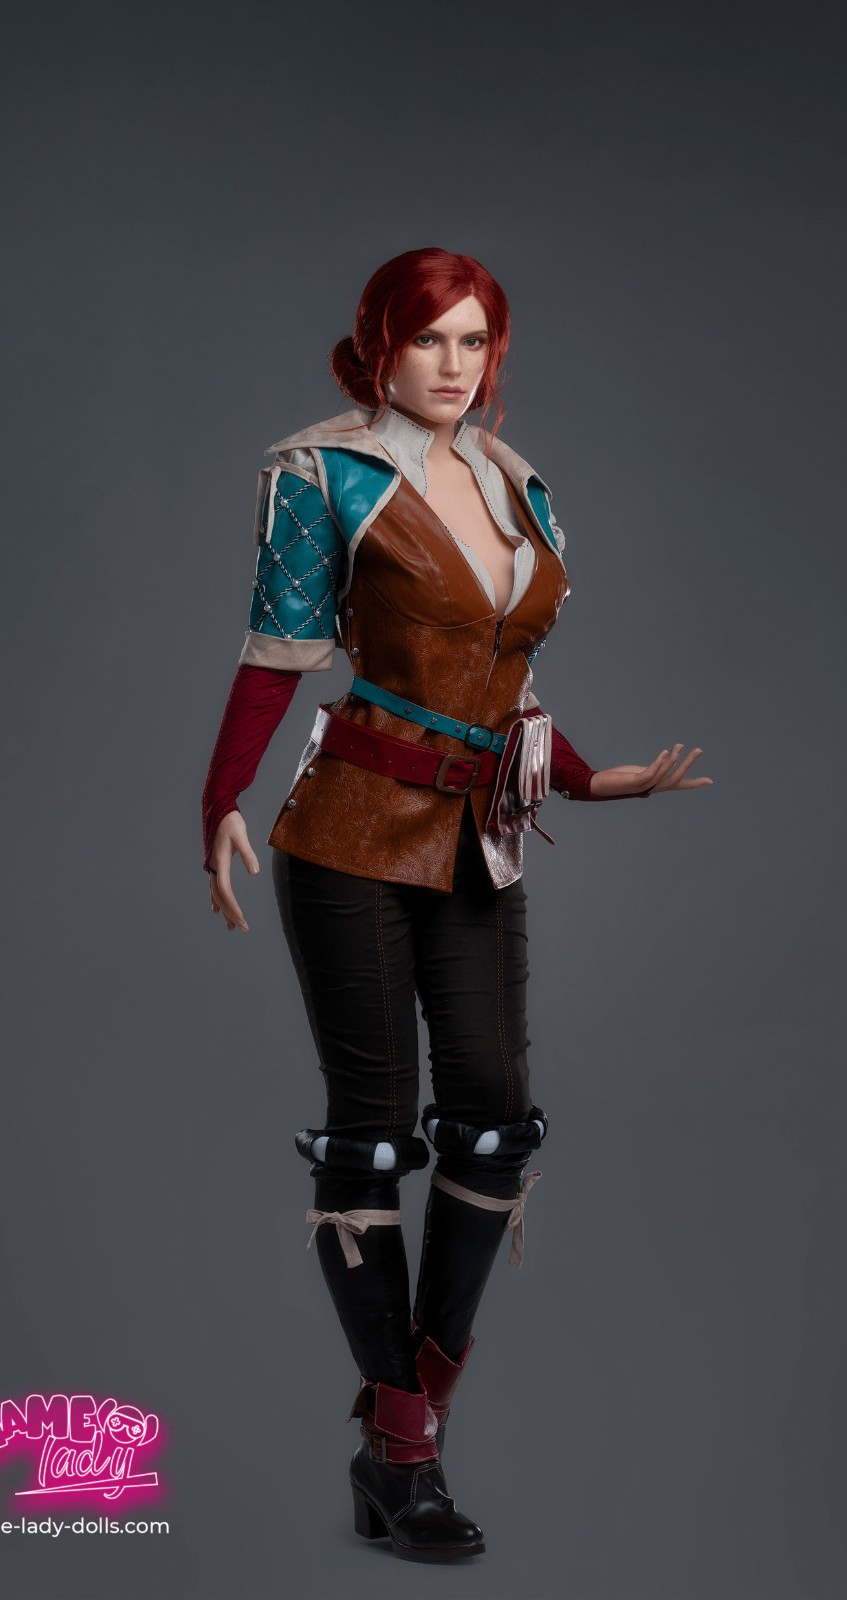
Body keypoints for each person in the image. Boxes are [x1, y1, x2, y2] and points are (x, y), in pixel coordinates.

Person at [200, 247, 712, 1563]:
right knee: (372, 1140)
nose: (451, 363)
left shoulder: (514, 482)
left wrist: (592, 780)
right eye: (427, 337)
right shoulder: (323, 473)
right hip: (352, 832)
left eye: (474, 341)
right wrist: (221, 800)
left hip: (480, 838)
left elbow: (506, 690)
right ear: (378, 345)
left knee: (494, 1127)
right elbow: (276, 651)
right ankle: (407, 1457)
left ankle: (403, 1417)